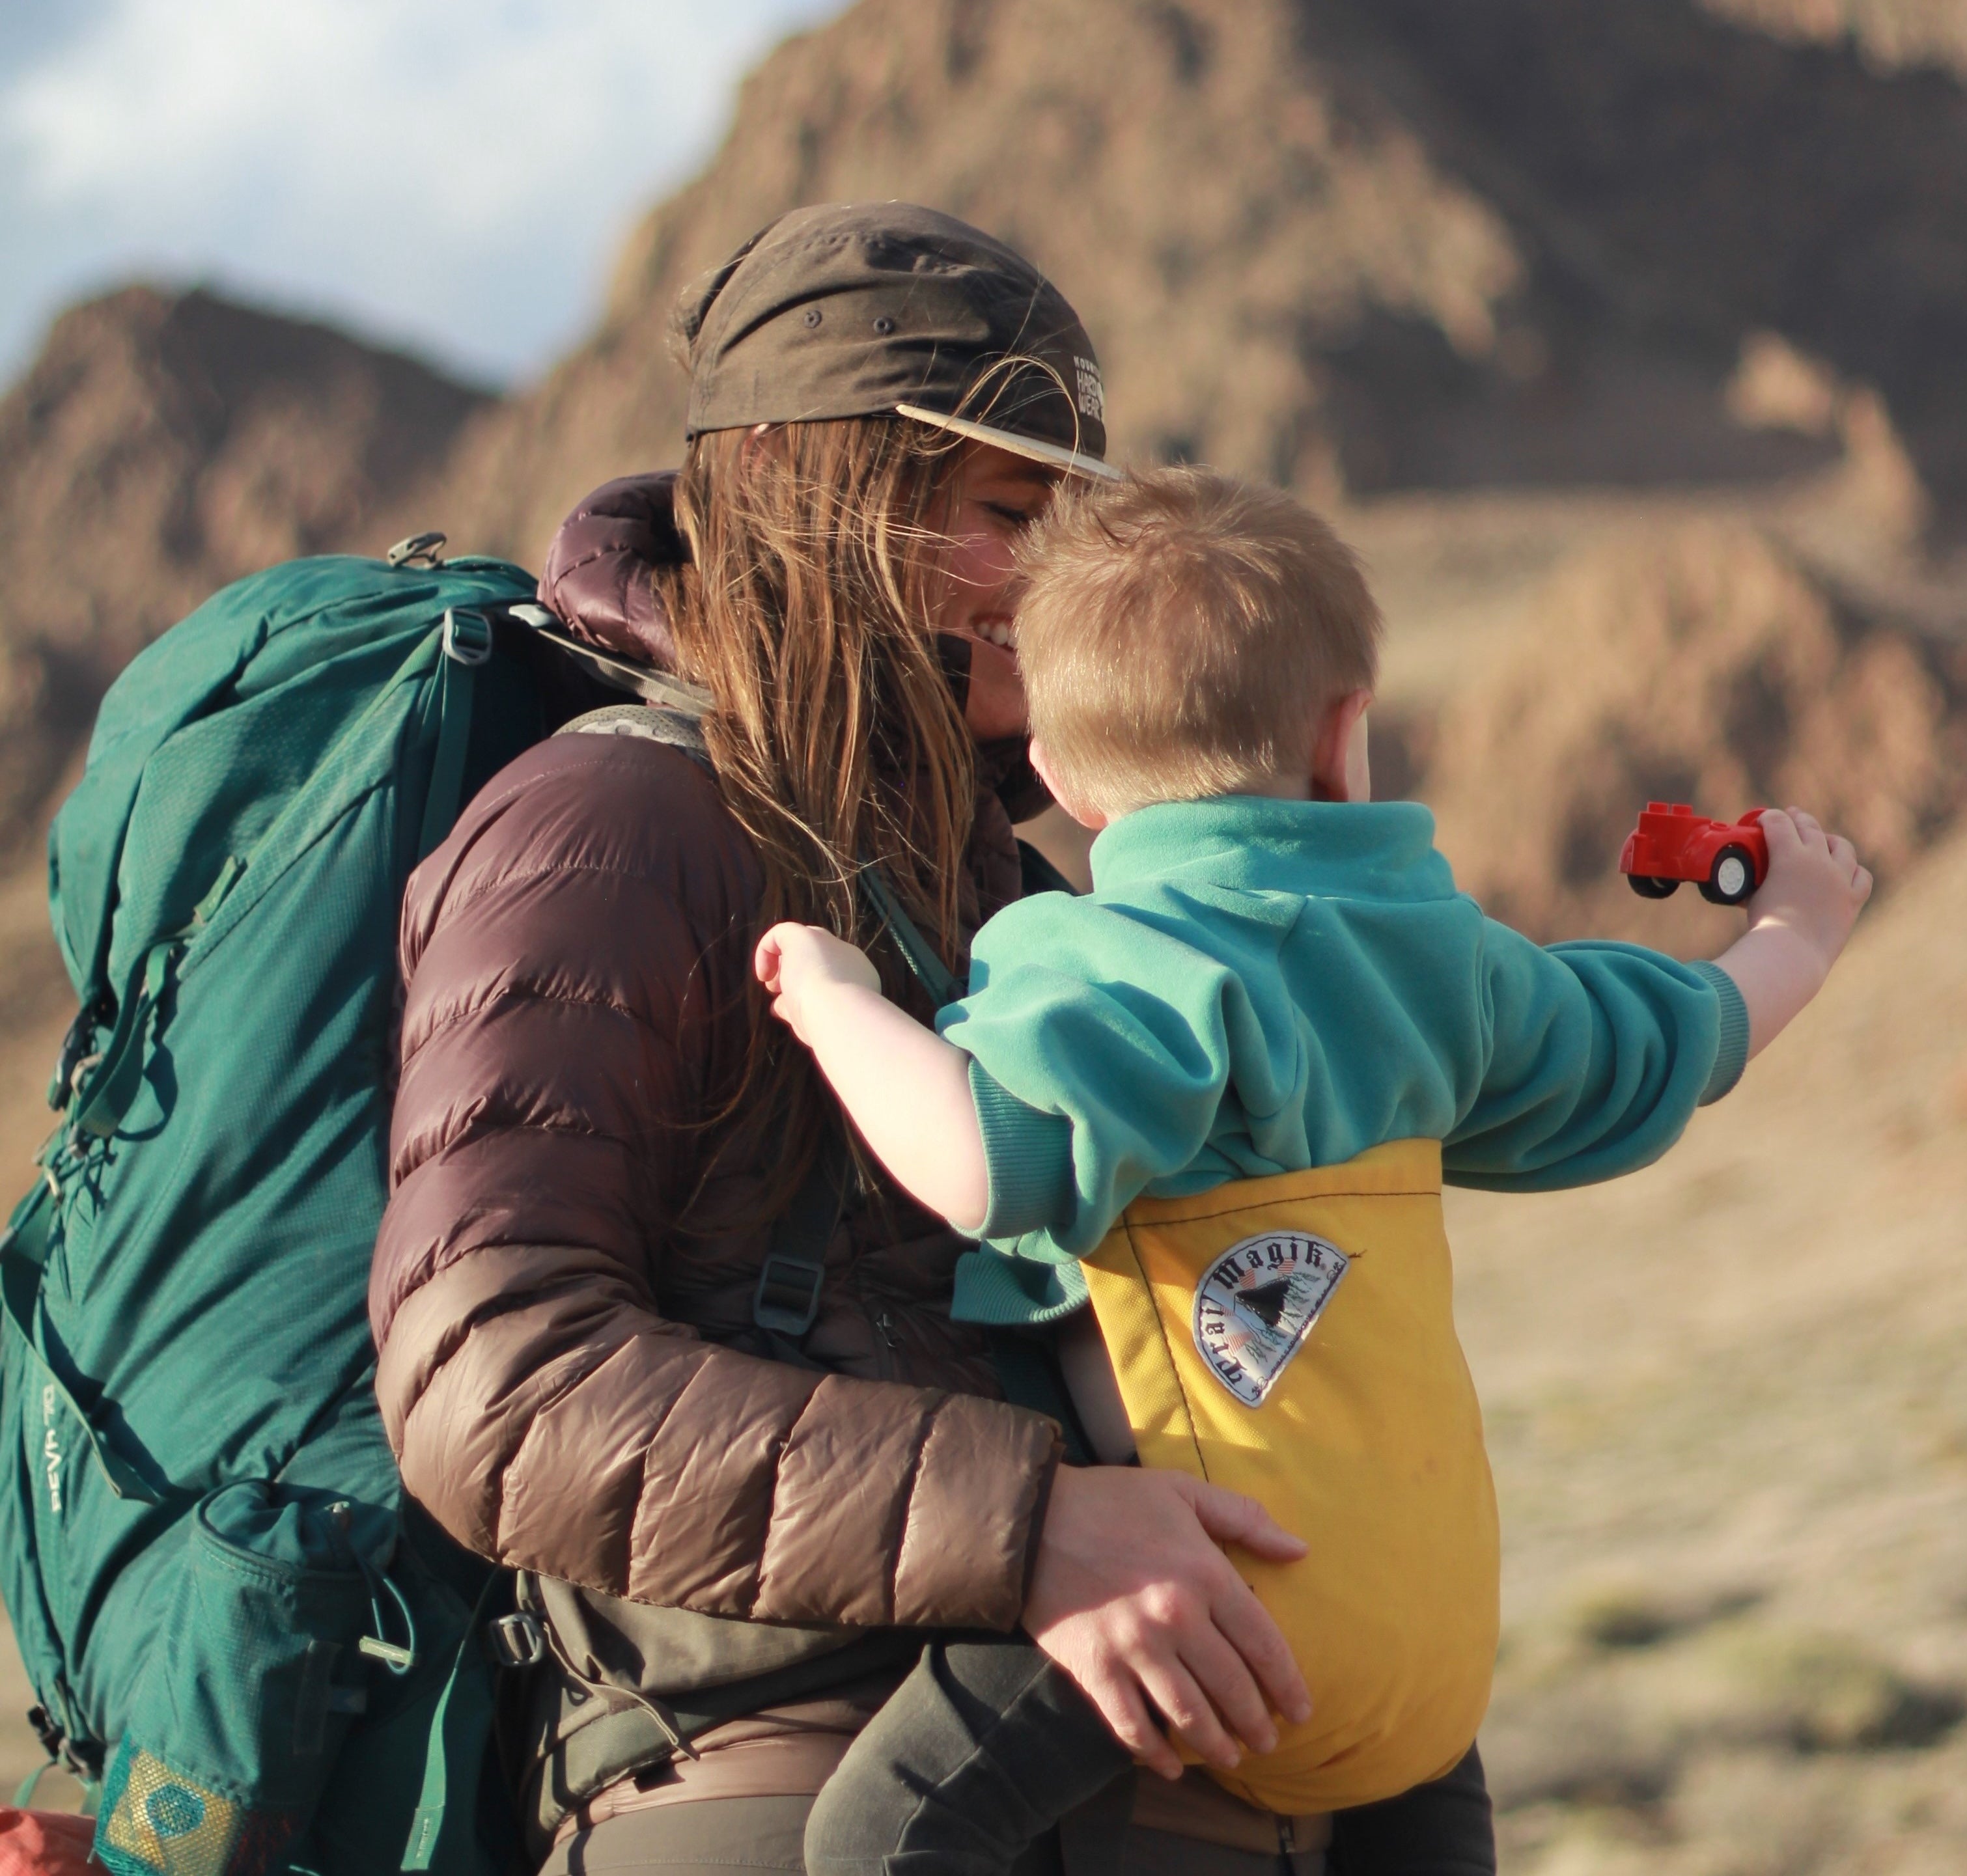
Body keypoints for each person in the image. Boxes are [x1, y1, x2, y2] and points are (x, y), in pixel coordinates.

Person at [369, 202, 1497, 1875]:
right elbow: (496, 1380)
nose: (1053, 579)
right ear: (811, 499)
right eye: (1000, 511)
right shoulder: (612, 823)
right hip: (793, 1784)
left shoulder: (1039, 892)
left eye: (1069, 516)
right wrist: (1021, 1524)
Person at [757, 467, 1876, 1875]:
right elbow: (1663, 1044)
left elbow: (990, 1163)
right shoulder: (1438, 964)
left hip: (1217, 1604)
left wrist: (835, 999)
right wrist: (1798, 931)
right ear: (1347, 734)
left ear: (1058, 777)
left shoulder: (1118, 964)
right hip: (1429, 1636)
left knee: (873, 1840)